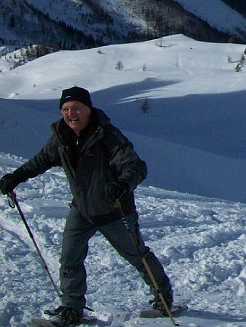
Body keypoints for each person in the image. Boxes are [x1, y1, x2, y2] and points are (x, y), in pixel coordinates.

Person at [0, 86, 174, 326]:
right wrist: (16, 177)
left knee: (137, 256)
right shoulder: (61, 136)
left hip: (114, 211)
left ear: (88, 109)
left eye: (77, 108)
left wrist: (122, 185)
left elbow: (135, 166)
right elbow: (40, 160)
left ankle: (164, 299)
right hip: (82, 210)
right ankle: (72, 307)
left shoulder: (108, 136)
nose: (71, 114)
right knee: (69, 258)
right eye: (66, 109)